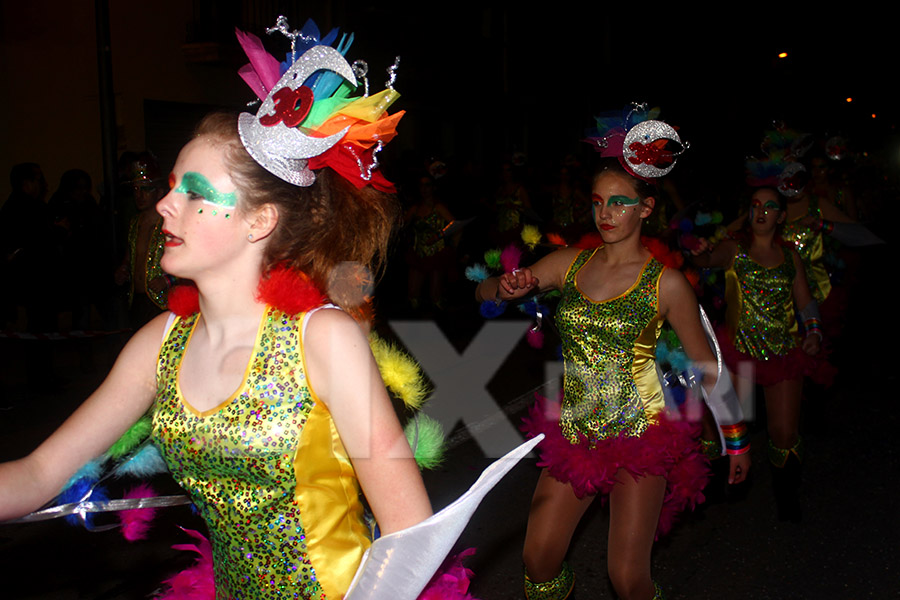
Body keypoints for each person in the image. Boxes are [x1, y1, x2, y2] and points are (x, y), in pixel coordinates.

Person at [0, 20, 435, 599]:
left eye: (196, 193)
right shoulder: (160, 341)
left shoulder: (321, 338)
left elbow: (410, 534)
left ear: (260, 221)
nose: (163, 204)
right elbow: (35, 475)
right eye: (174, 184)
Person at [476, 151, 750, 599]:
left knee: (627, 578)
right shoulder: (570, 263)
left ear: (646, 208)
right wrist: (502, 287)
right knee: (537, 560)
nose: (606, 213)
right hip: (577, 431)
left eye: (620, 203)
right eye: (598, 201)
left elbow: (708, 368)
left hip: (642, 436)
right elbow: (485, 293)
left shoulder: (667, 284)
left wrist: (736, 439)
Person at [692, 187, 823, 521]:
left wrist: (814, 331)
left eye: (769, 207)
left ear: (780, 216)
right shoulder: (734, 250)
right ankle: (712, 491)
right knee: (718, 424)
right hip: (739, 354)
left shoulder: (791, 257)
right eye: (754, 206)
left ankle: (787, 496)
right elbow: (704, 260)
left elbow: (805, 301)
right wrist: (698, 250)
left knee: (783, 434)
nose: (761, 212)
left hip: (783, 355)